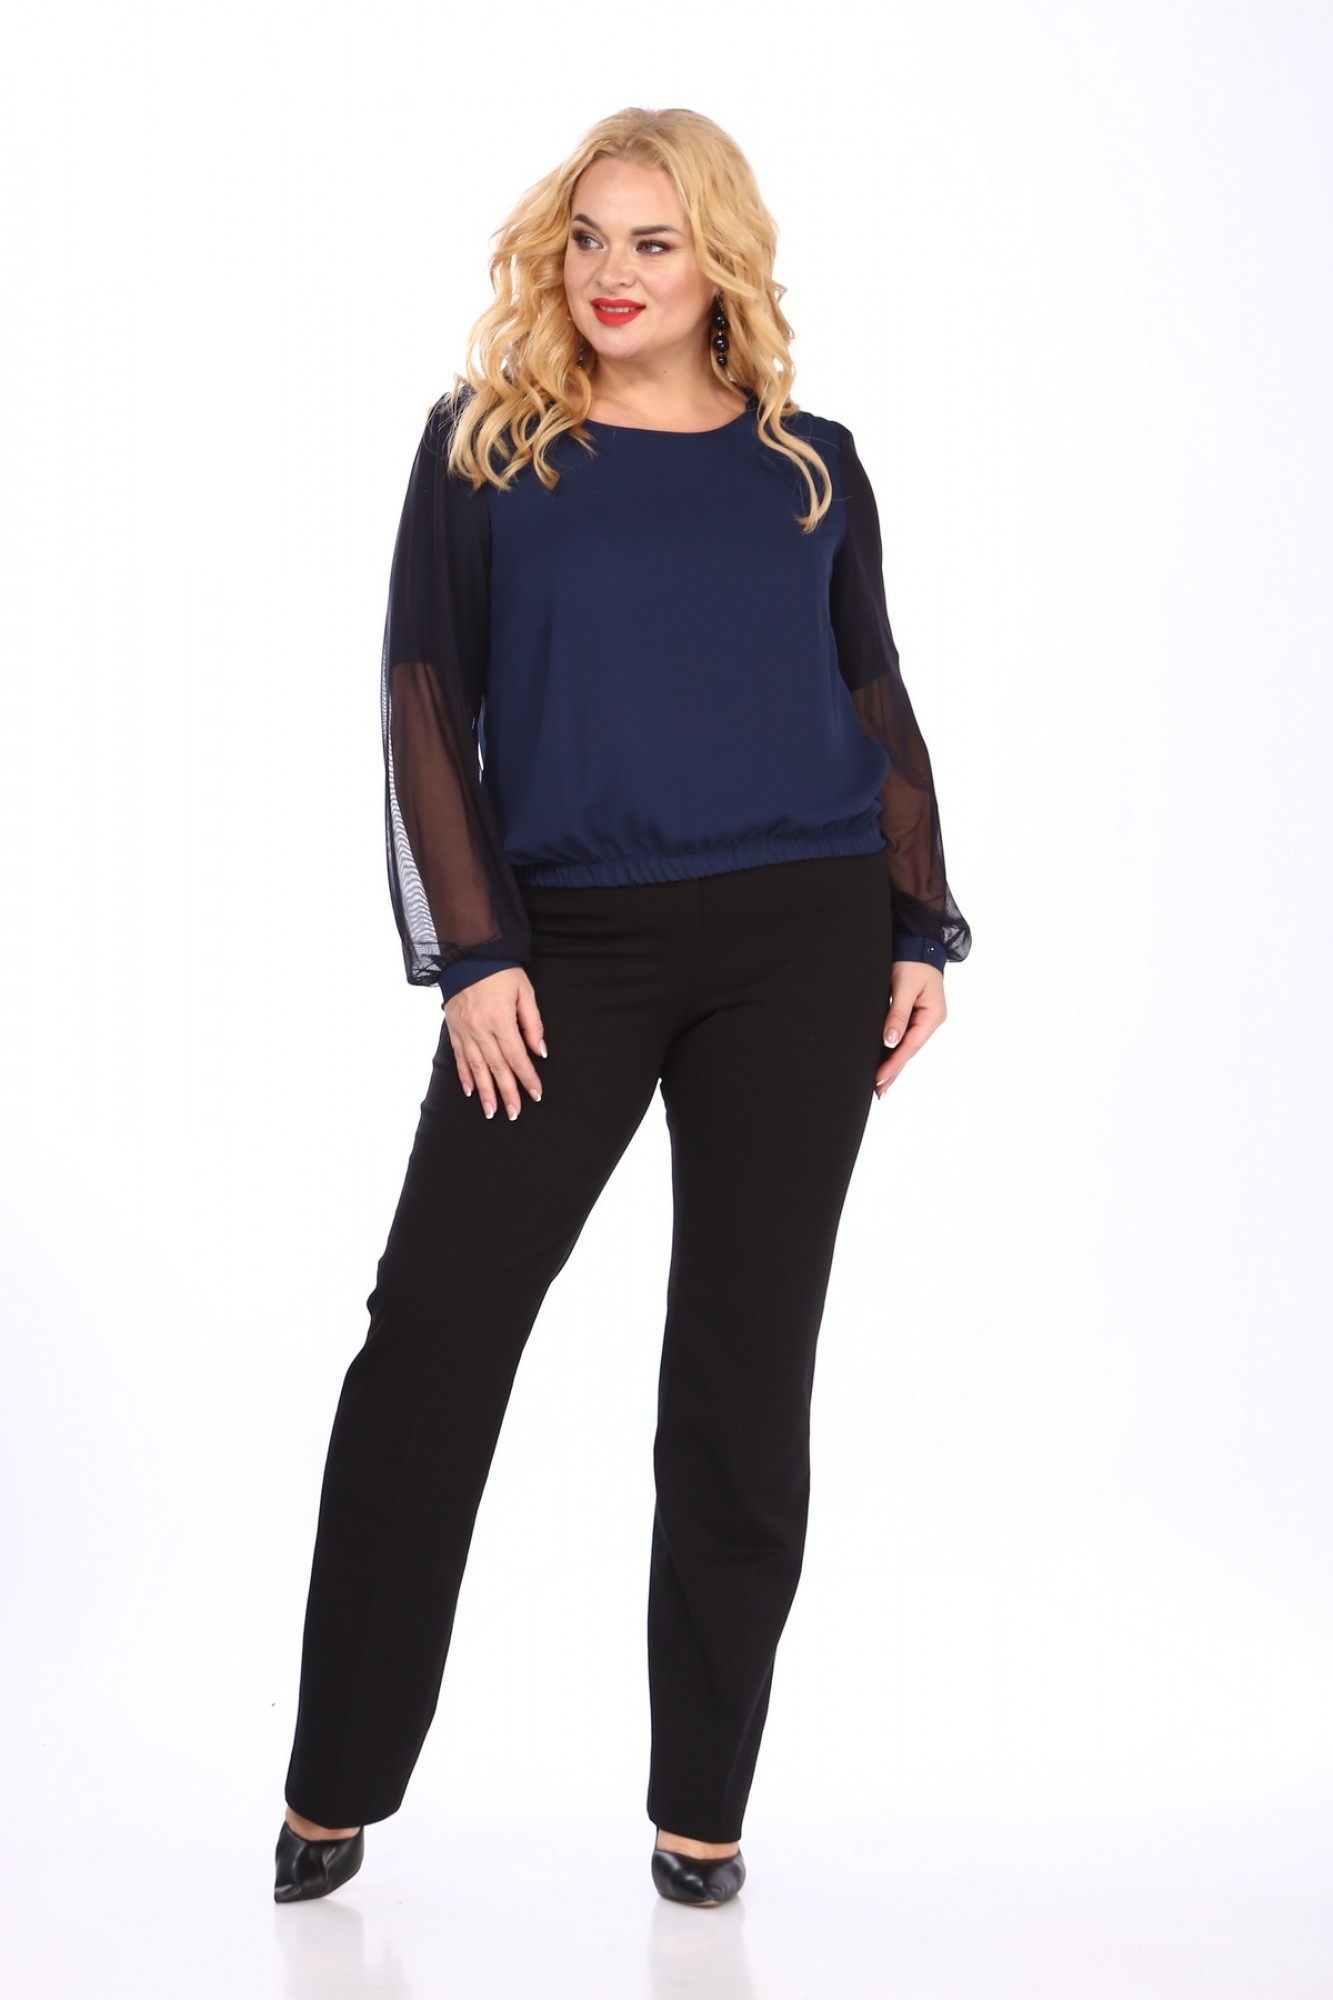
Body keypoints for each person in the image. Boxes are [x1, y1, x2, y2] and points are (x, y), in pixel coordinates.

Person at [274, 104, 972, 1910]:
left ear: (715, 259)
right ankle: (334, 1779)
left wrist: (917, 919)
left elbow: (871, 691)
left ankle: (700, 1813)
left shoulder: (811, 464)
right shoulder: (488, 449)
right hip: (566, 944)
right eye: (587, 237)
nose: (609, 273)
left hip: (803, 935)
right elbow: (422, 700)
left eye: (652, 243)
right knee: (432, 1334)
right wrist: (476, 953)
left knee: (743, 1367)